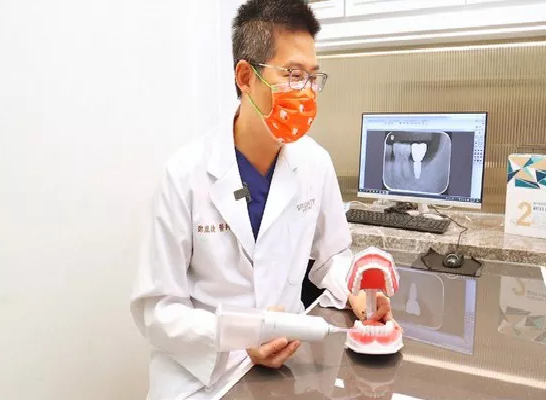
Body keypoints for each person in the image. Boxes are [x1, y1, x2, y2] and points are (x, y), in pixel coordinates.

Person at [130, 1, 394, 399]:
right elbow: (158, 308)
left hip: (285, 369)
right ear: (245, 77)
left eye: (312, 77)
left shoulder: (315, 163)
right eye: (293, 75)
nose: (306, 92)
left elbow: (331, 257)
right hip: (201, 376)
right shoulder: (185, 174)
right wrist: (239, 336)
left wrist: (358, 293)